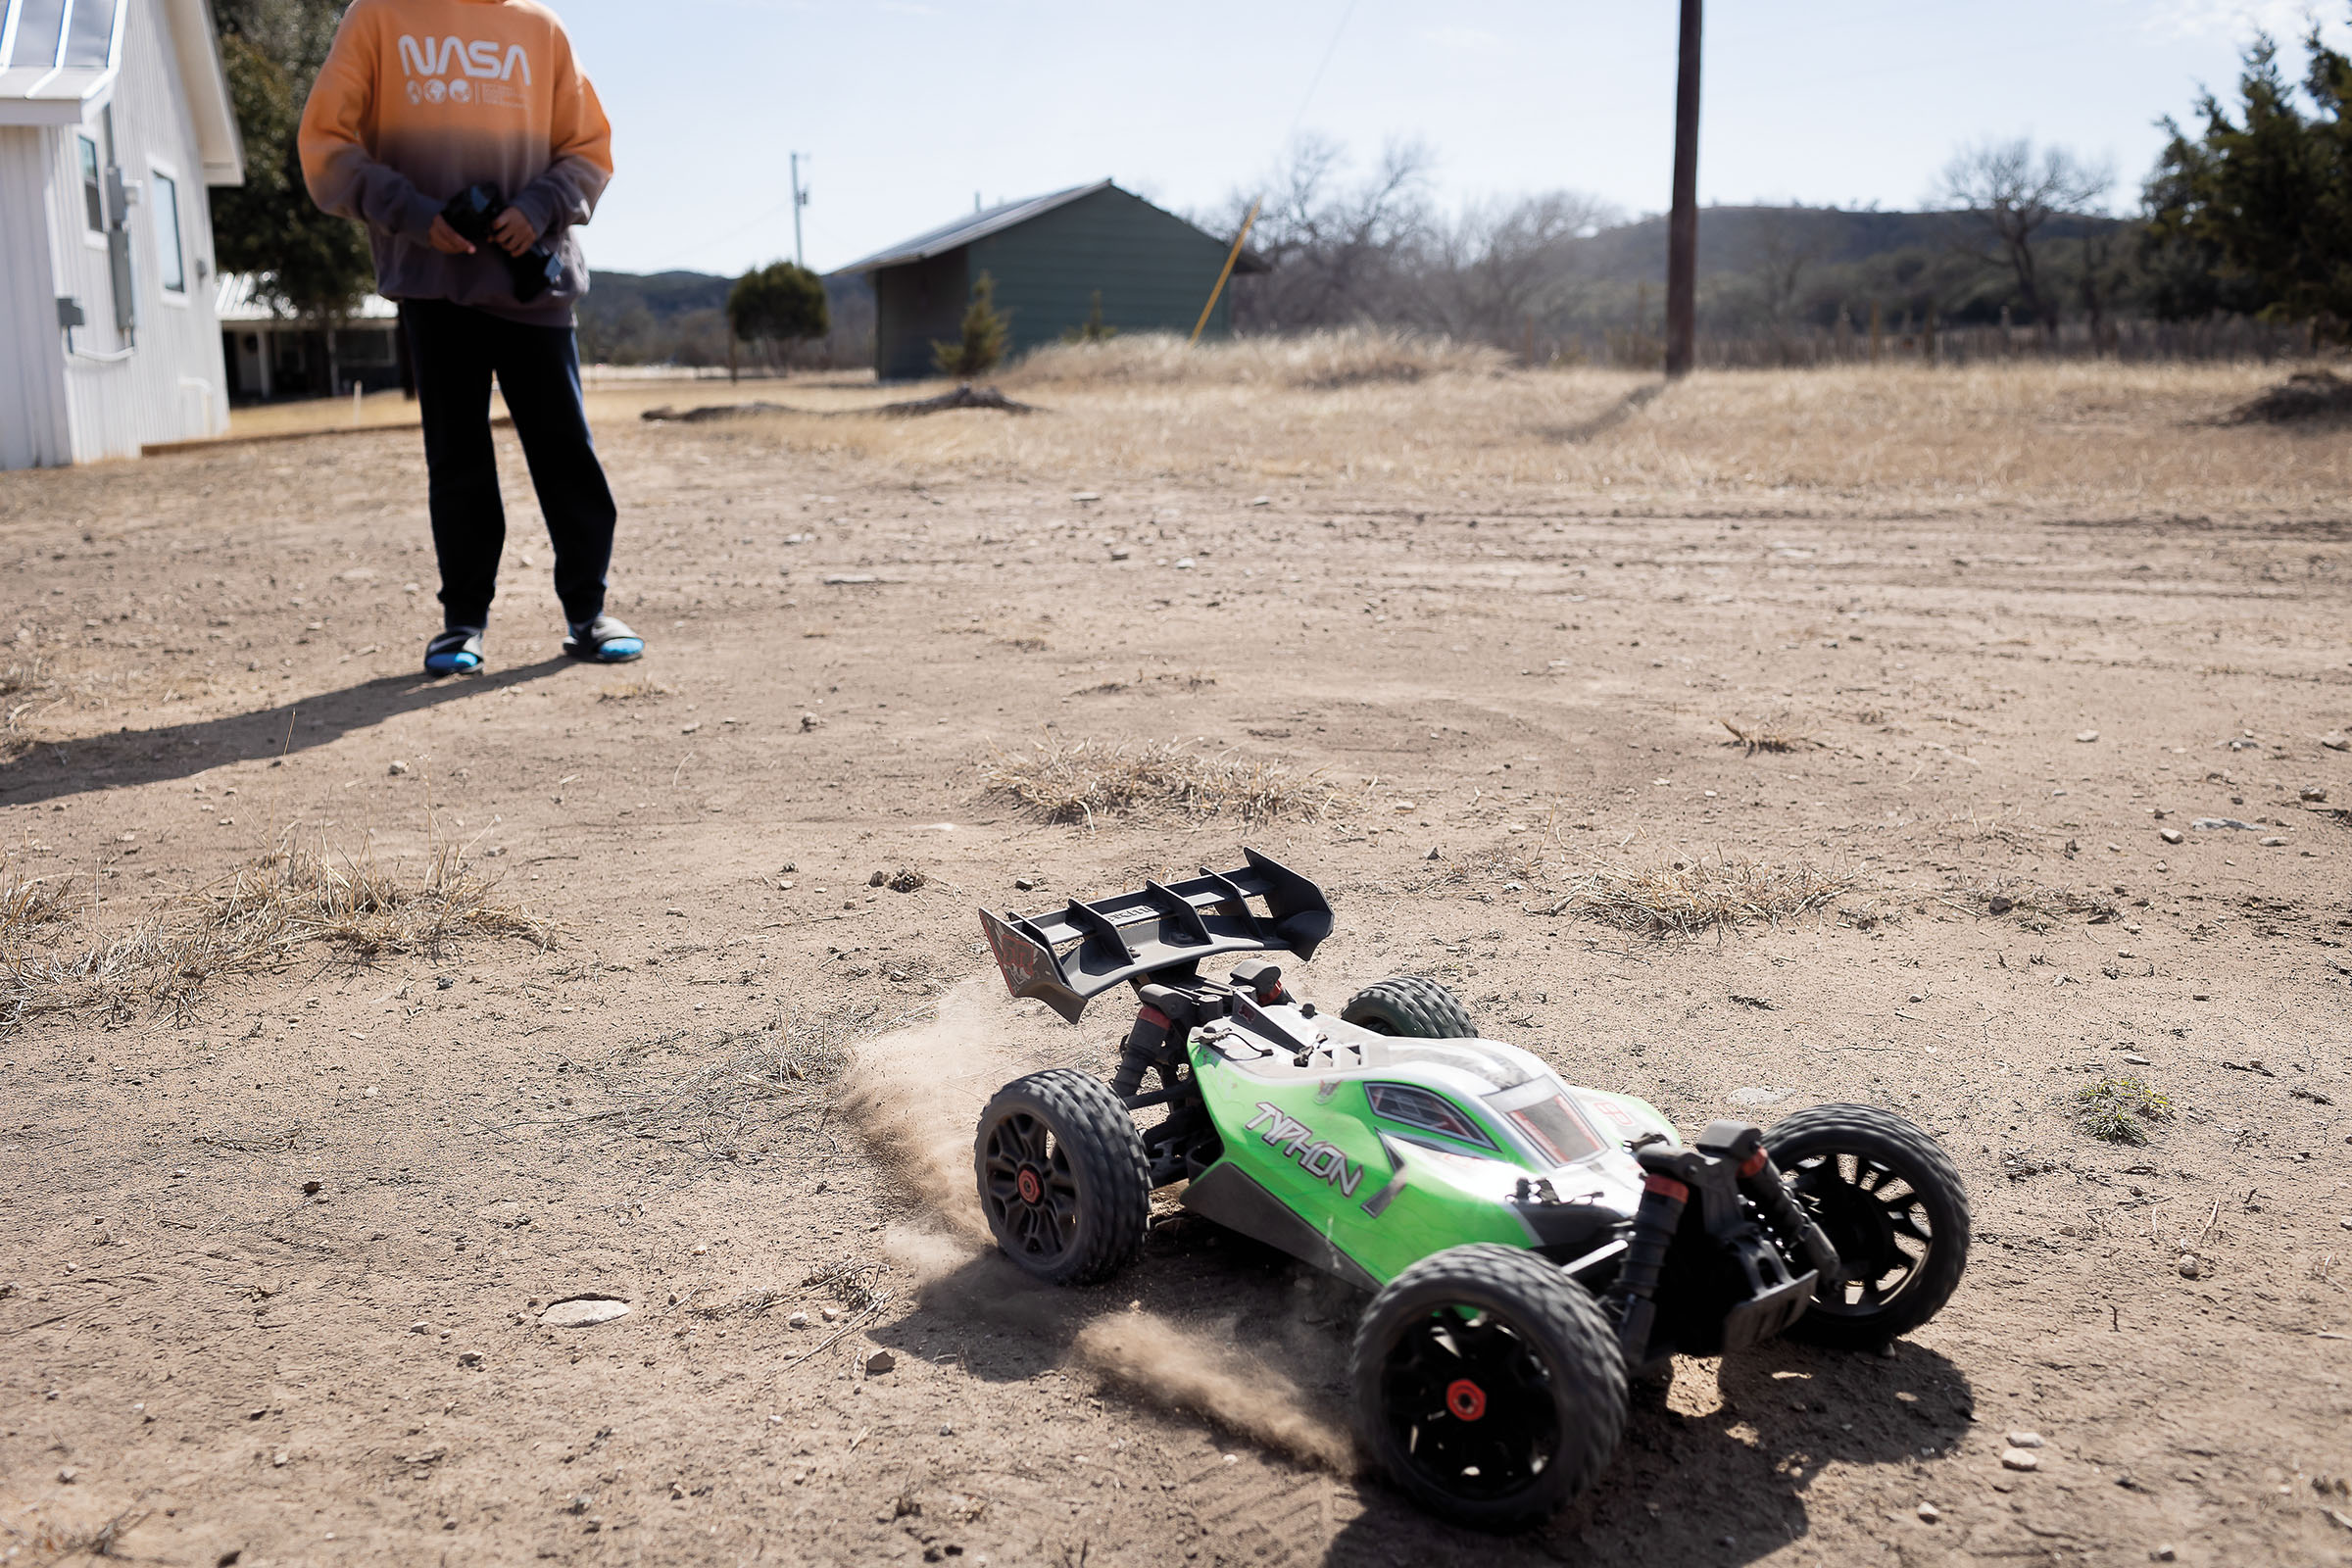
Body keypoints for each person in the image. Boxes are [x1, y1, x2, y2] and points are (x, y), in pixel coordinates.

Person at [299, 0, 642, 674]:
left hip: (532, 285)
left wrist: (539, 207)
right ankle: (463, 624)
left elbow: (589, 150)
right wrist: (415, 214)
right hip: (433, 283)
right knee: (456, 460)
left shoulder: (539, 28)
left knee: (566, 452)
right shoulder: (378, 17)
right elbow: (327, 147)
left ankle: (587, 612)